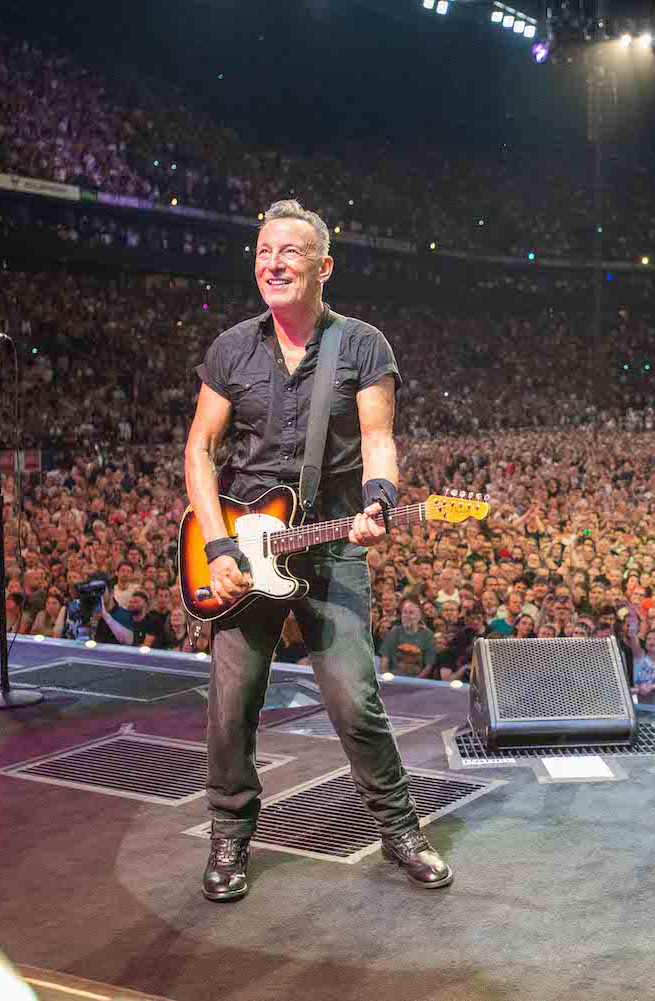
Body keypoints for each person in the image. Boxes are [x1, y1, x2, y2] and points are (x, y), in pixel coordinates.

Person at [184, 199, 449, 903]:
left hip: (330, 542)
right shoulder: (231, 348)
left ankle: (399, 828)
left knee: (354, 699)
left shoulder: (363, 344)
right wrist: (214, 543)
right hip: (243, 549)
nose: (272, 262)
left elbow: (377, 439)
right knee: (231, 703)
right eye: (264, 251)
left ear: (323, 266)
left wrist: (379, 499)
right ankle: (230, 832)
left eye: (290, 252)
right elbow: (198, 450)